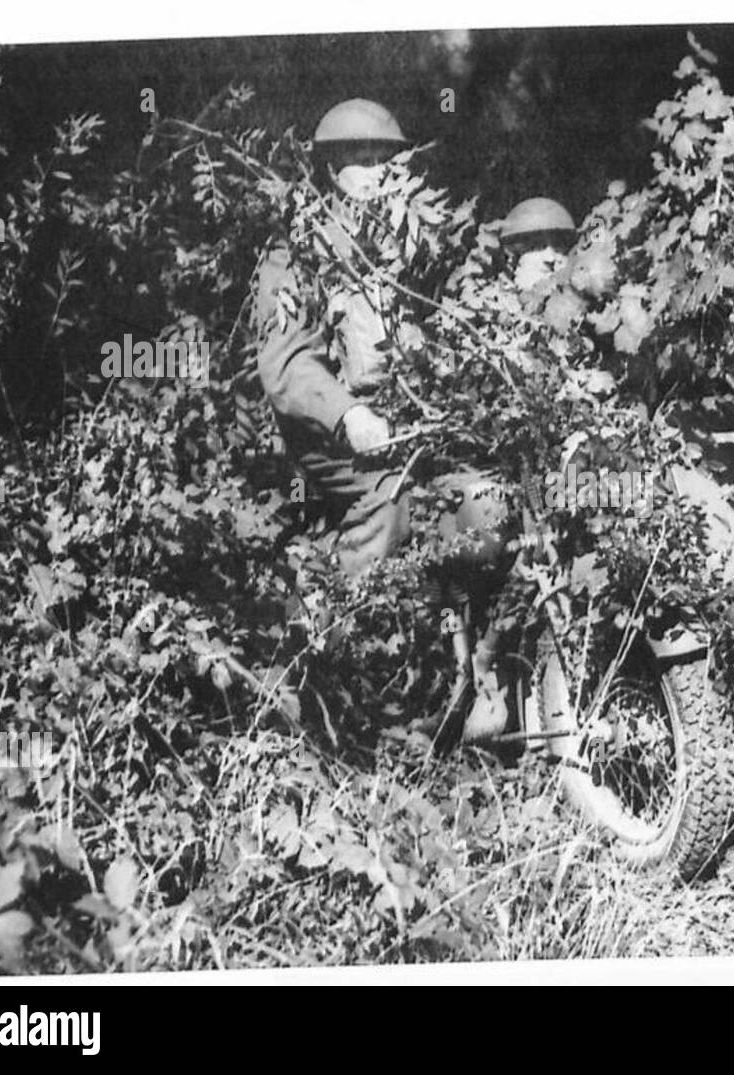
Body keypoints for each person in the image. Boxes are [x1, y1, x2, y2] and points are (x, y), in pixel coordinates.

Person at [251, 98, 511, 741]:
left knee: (489, 505)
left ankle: (480, 677)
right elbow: (287, 369)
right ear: (332, 171)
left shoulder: (409, 246)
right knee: (389, 503)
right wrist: (348, 414)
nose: (374, 172)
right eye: (359, 161)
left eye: (383, 159)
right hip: (332, 436)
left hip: (409, 423)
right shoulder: (297, 255)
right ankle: (332, 666)